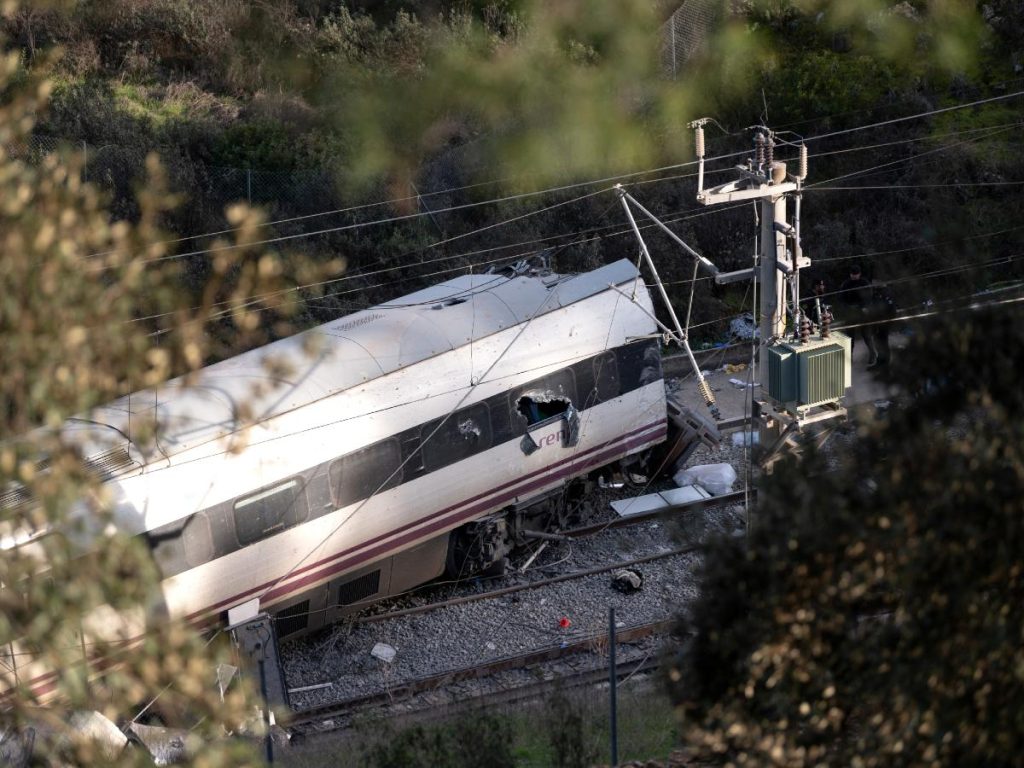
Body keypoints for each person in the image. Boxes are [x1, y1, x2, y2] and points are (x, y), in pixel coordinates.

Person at [839, 263, 878, 365]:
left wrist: (864, 307)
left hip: (862, 313)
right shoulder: (846, 284)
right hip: (850, 313)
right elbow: (842, 299)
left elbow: (869, 296)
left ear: (859, 274)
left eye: (856, 274)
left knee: (866, 336)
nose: (854, 276)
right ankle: (849, 358)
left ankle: (873, 355)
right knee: (850, 337)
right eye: (852, 274)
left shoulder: (864, 283)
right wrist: (846, 309)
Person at [867, 281, 897, 367]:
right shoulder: (876, 292)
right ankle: (880, 361)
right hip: (876, 321)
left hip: (884, 322)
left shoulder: (887, 293)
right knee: (877, 341)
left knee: (883, 342)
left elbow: (891, 310)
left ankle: (885, 363)